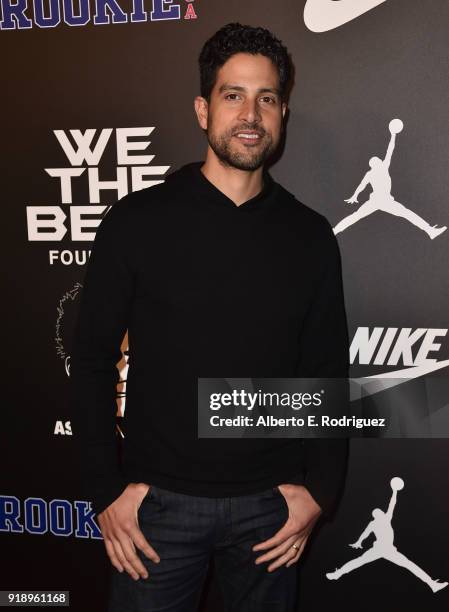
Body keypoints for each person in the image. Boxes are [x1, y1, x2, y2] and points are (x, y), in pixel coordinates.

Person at [70, 22, 350, 612]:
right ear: (203, 110)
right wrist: (105, 492)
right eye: (233, 95)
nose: (251, 113)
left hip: (269, 512)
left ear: (282, 114)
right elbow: (91, 357)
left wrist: (318, 492)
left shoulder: (311, 236)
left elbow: (326, 369)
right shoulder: (136, 222)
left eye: (266, 98)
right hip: (157, 511)